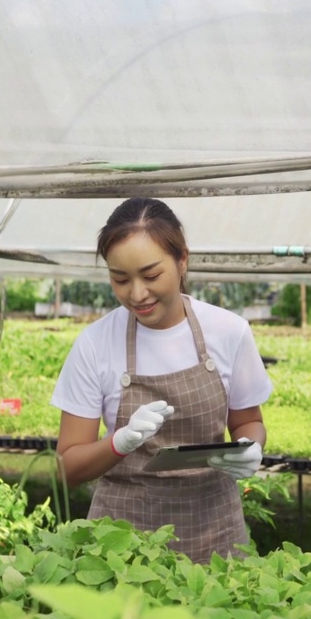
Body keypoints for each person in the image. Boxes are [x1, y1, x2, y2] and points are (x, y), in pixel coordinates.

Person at [51, 197, 272, 562]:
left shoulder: (228, 332)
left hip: (215, 538)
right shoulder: (95, 344)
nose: (137, 294)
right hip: (120, 550)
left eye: (151, 276)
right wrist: (118, 444)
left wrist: (253, 448)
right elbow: (66, 469)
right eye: (120, 279)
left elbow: (248, 421)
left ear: (182, 259)